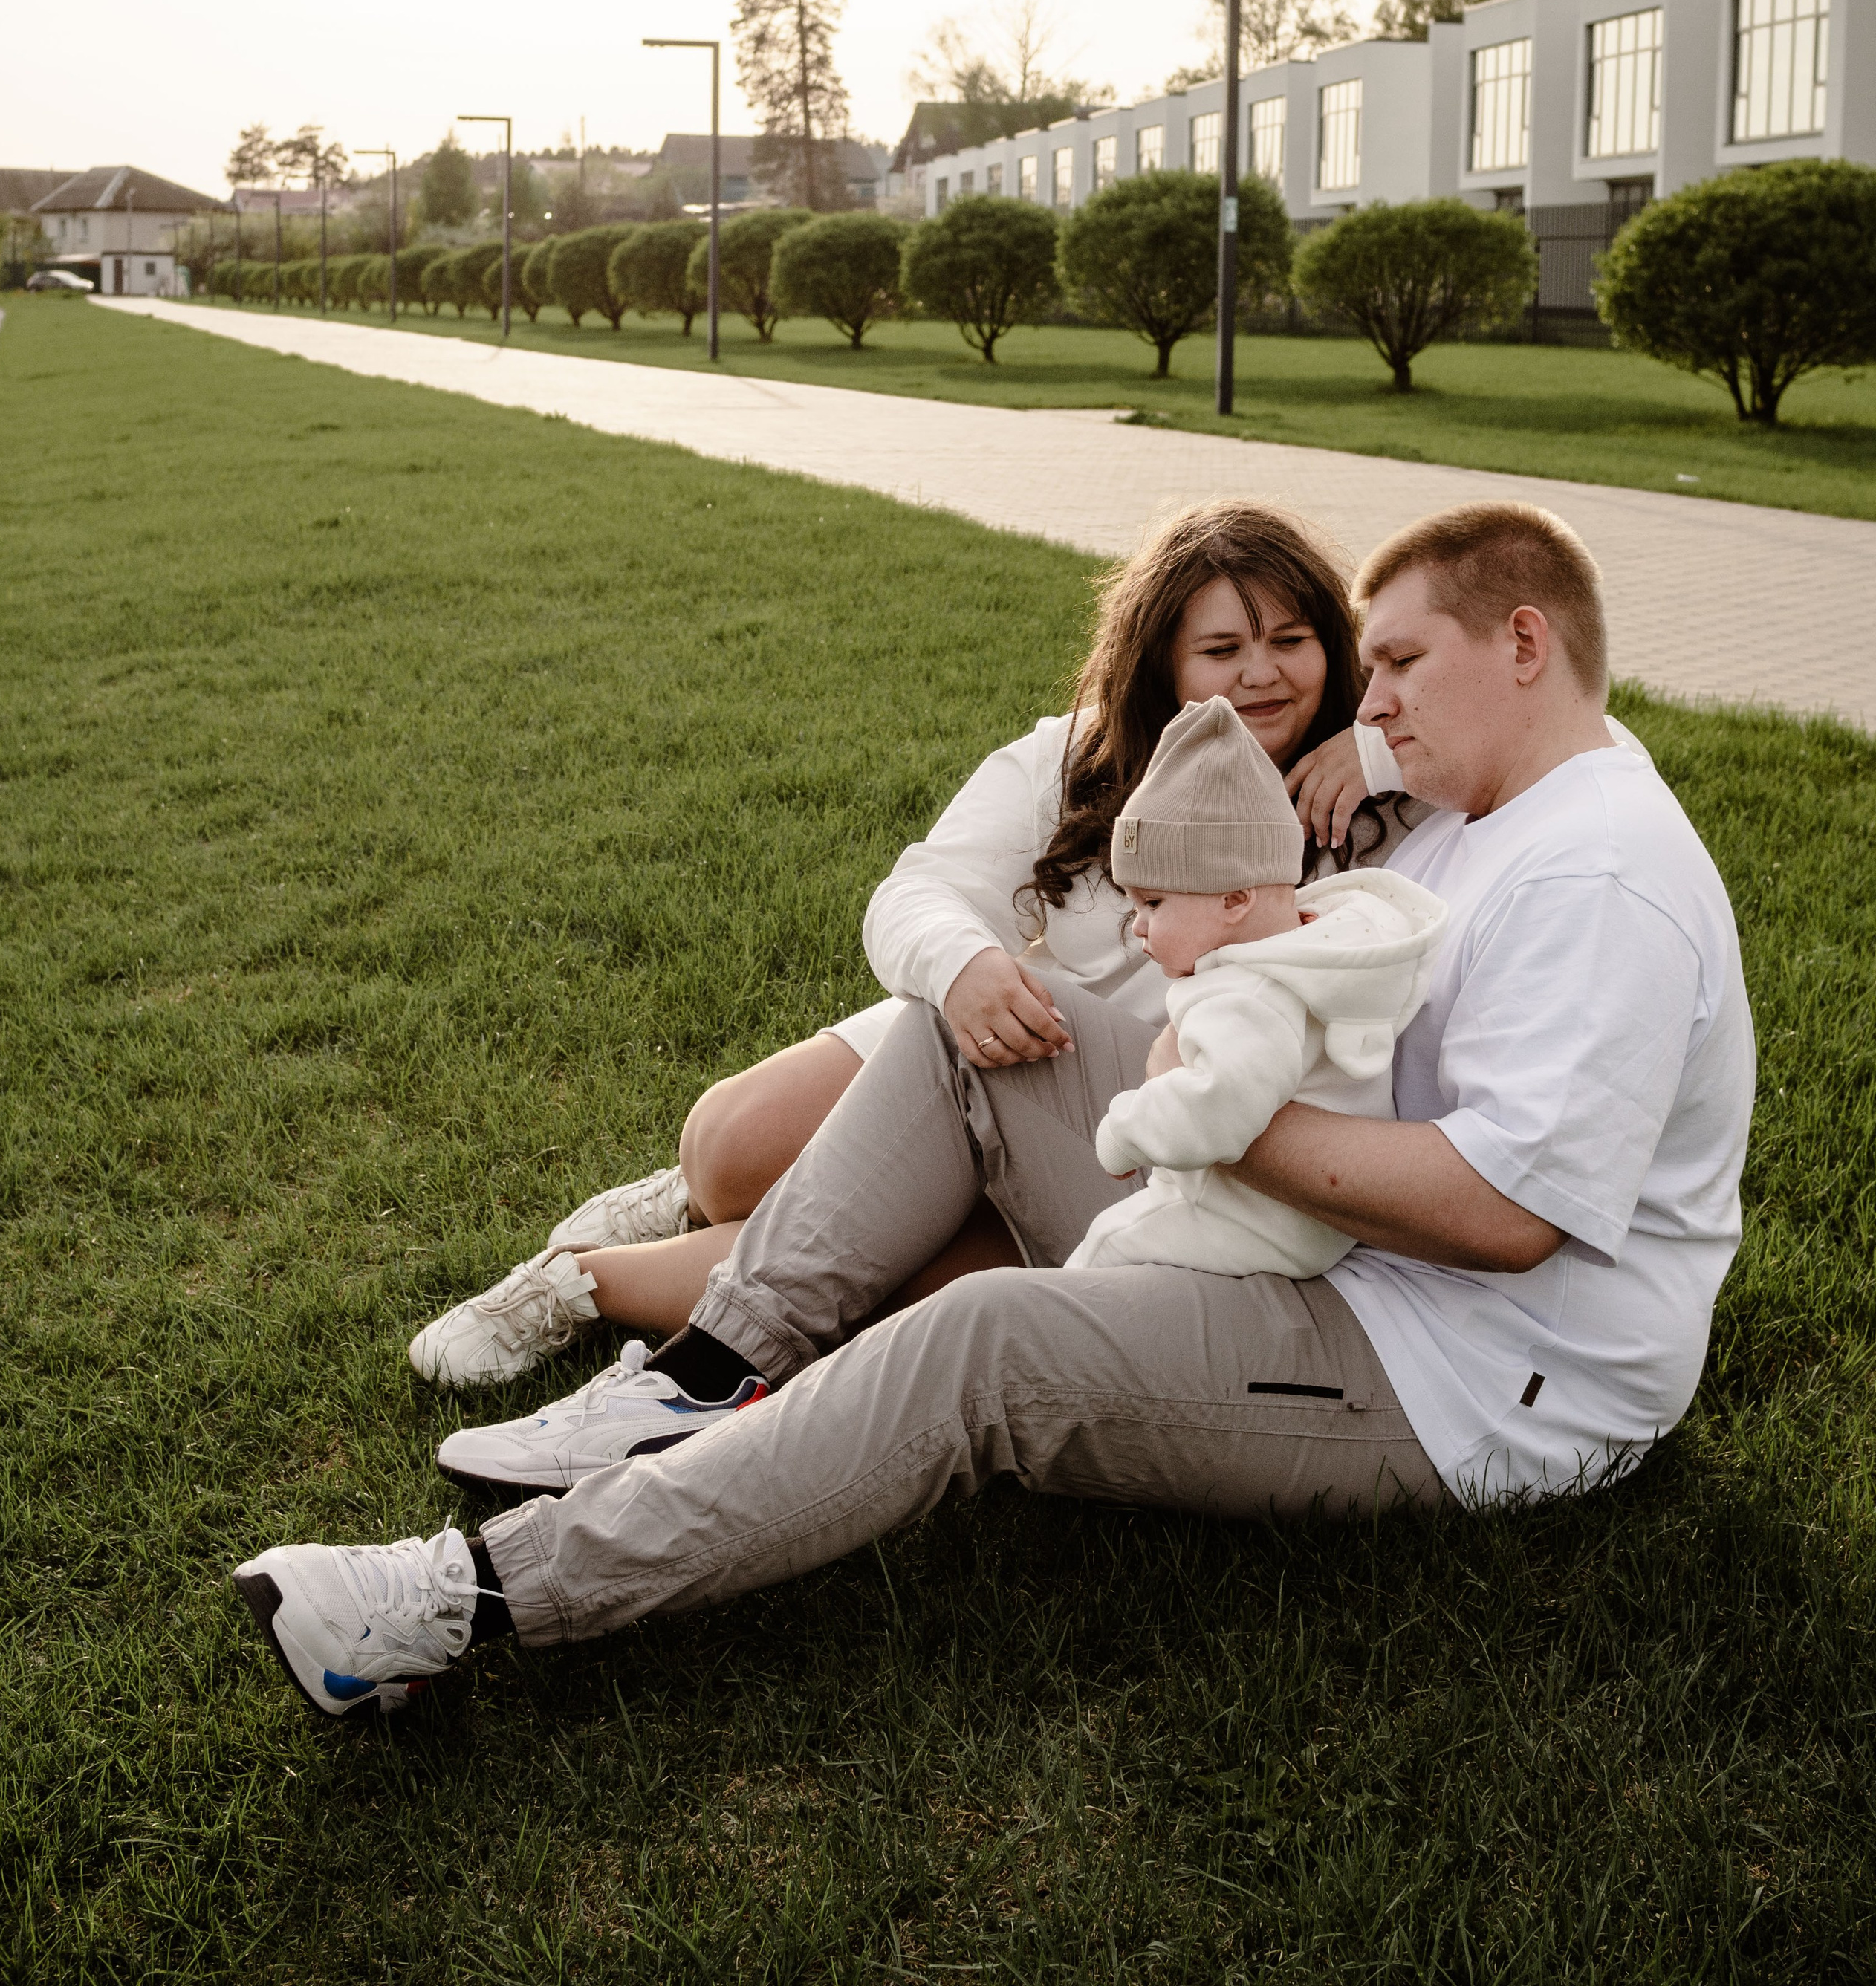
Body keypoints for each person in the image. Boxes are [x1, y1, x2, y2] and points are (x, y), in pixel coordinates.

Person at [233, 500, 1756, 1720]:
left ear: (1524, 641)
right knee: (975, 1039)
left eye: (1394, 667)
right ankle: (701, 1368)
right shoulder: (1486, 798)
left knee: (982, 1338)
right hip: (1311, 1231)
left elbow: (1505, 1217)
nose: (1367, 699)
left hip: (1465, 1374)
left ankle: (461, 1597)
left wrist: (1209, 1111)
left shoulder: (1597, 868)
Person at [406, 499, 1421, 1388]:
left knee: (919, 1278)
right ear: (1162, 660)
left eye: (1292, 640)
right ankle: (686, 1201)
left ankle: (577, 1283)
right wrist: (969, 968)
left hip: (1122, 1132)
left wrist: (1377, 744)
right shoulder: (1070, 757)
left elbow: (1565, 736)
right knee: (727, 1150)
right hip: (993, 1036)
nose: (1261, 675)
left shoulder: (1372, 804)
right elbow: (921, 890)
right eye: (1222, 650)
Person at [1065, 694, 1445, 1279]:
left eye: (1154, 902)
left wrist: (1125, 1128)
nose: (1137, 925)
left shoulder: (1253, 996)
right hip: (1298, 1220)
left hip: (1255, 1222)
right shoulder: (1313, 949)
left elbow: (1223, 1103)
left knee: (1104, 1246)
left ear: (1236, 898)